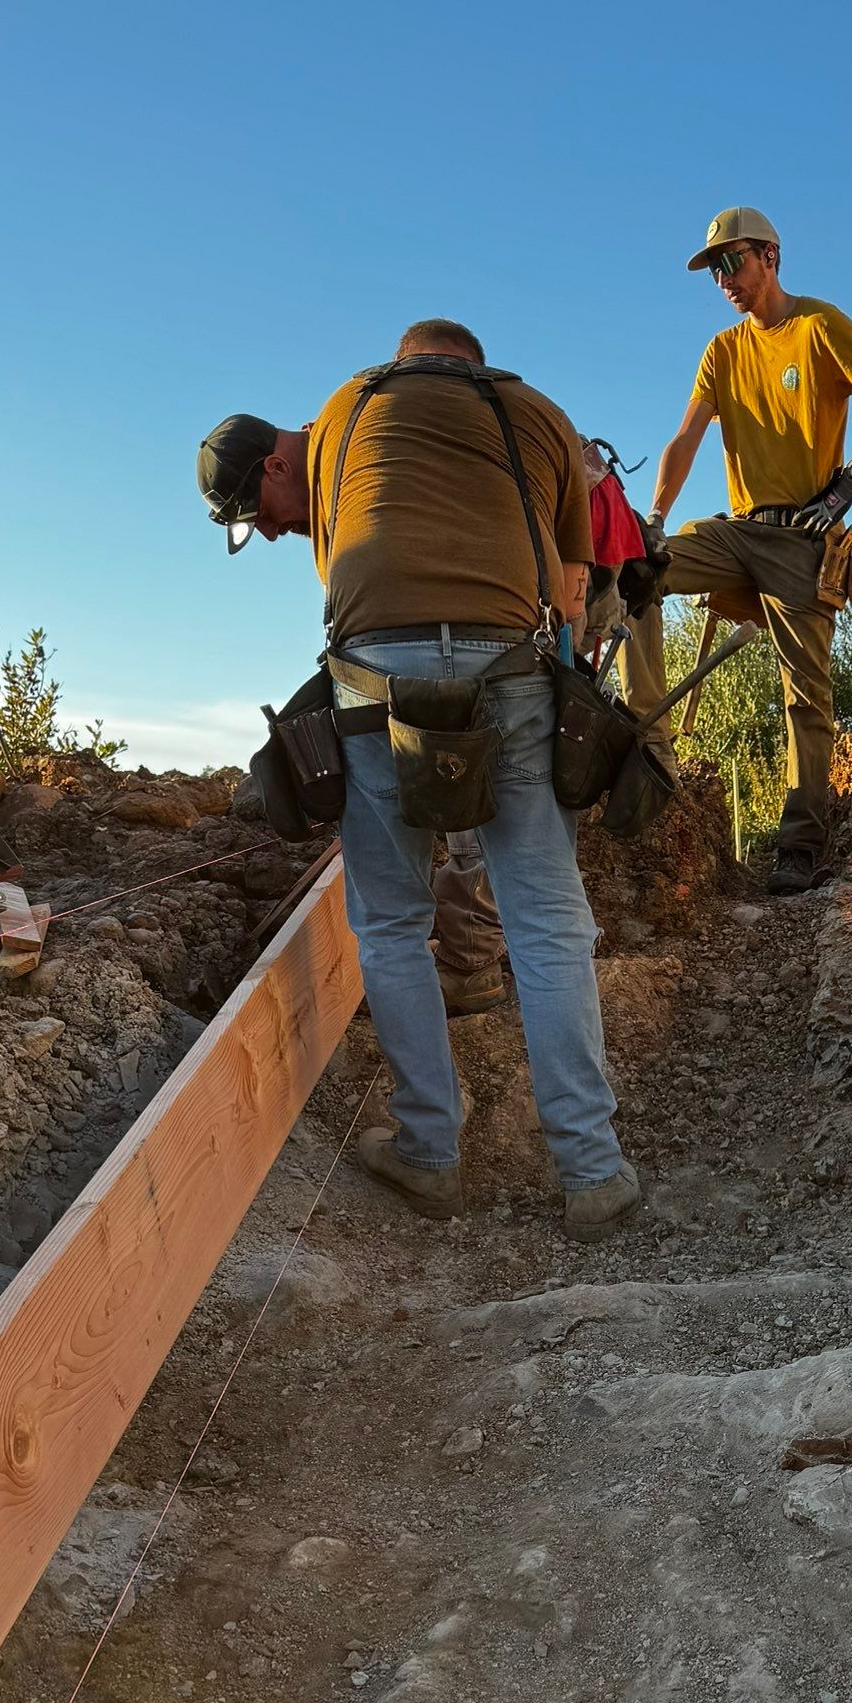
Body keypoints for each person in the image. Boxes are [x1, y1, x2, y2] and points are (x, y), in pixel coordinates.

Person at [195, 321, 640, 1235]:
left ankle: (428, 1154)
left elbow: (342, 579)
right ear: (469, 363)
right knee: (549, 922)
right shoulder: (537, 414)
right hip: (509, 671)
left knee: (390, 922)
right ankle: (593, 1174)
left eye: (261, 515)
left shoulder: (344, 412)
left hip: (372, 682)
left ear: (404, 361)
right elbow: (567, 592)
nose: (270, 529)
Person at [624, 206, 852, 896]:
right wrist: (655, 518)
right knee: (633, 570)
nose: (725, 279)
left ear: (770, 255)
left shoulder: (820, 327)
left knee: (805, 698)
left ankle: (799, 847)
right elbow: (685, 438)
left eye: (734, 262)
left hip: (802, 538)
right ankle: (651, 749)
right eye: (714, 270)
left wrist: (851, 481)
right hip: (738, 529)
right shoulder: (722, 351)